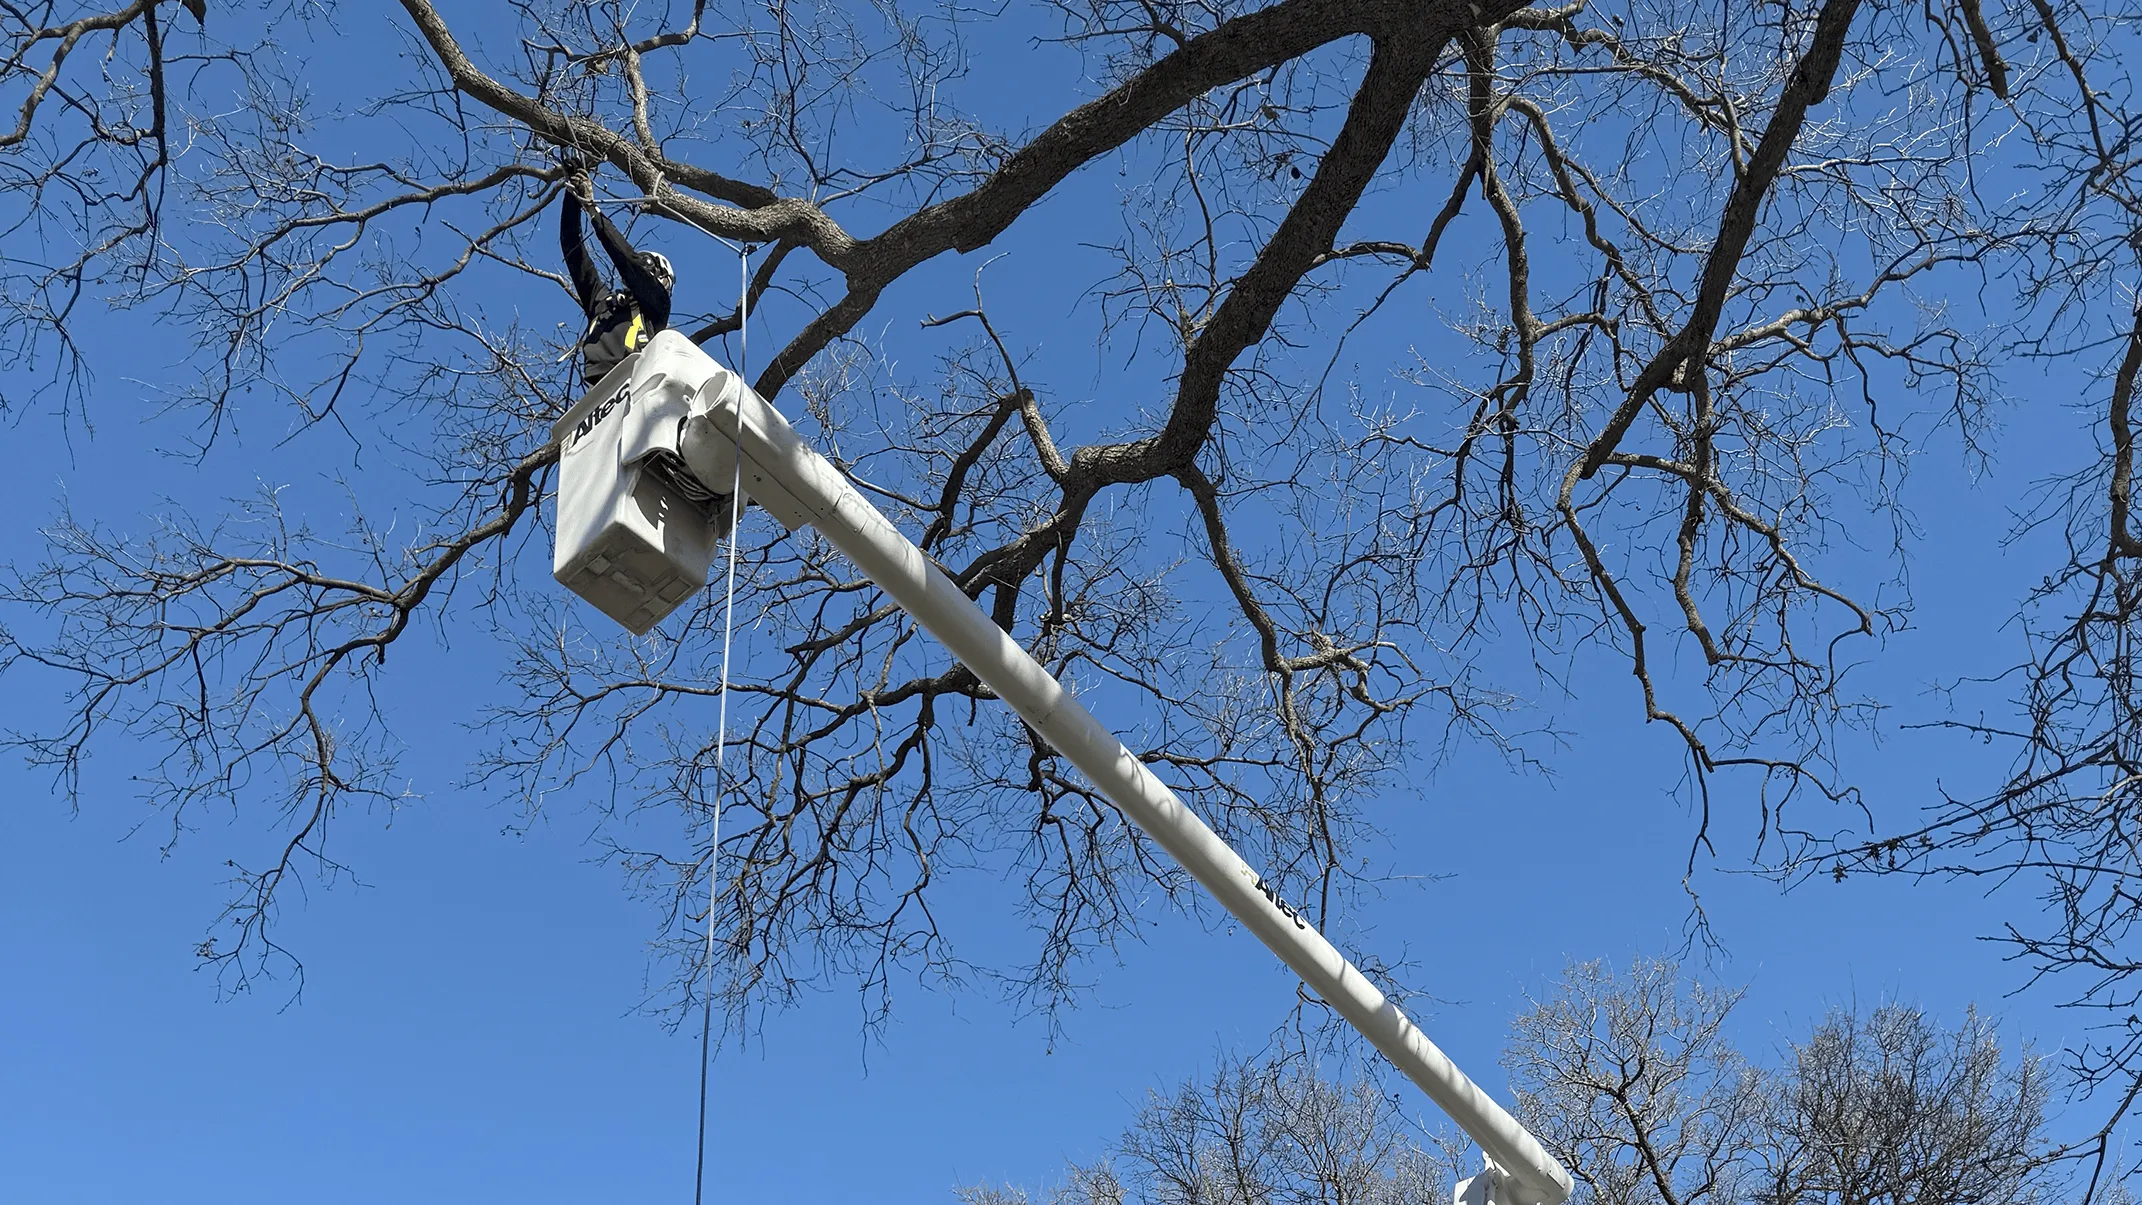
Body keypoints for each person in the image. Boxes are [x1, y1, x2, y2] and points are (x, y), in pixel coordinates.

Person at [560, 170, 675, 387]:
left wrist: (592, 209)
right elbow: (573, 251)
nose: (642, 266)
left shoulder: (656, 306)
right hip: (601, 388)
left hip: (636, 378)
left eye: (647, 265)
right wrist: (572, 197)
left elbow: (627, 261)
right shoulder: (603, 304)